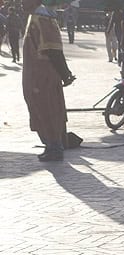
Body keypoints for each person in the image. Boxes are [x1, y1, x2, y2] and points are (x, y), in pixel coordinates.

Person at [22, 0, 75, 162]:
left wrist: (65, 74)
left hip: (43, 75)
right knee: (40, 109)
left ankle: (55, 146)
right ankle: (50, 144)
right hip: (36, 75)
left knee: (49, 109)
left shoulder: (43, 20)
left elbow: (53, 51)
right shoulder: (37, 18)